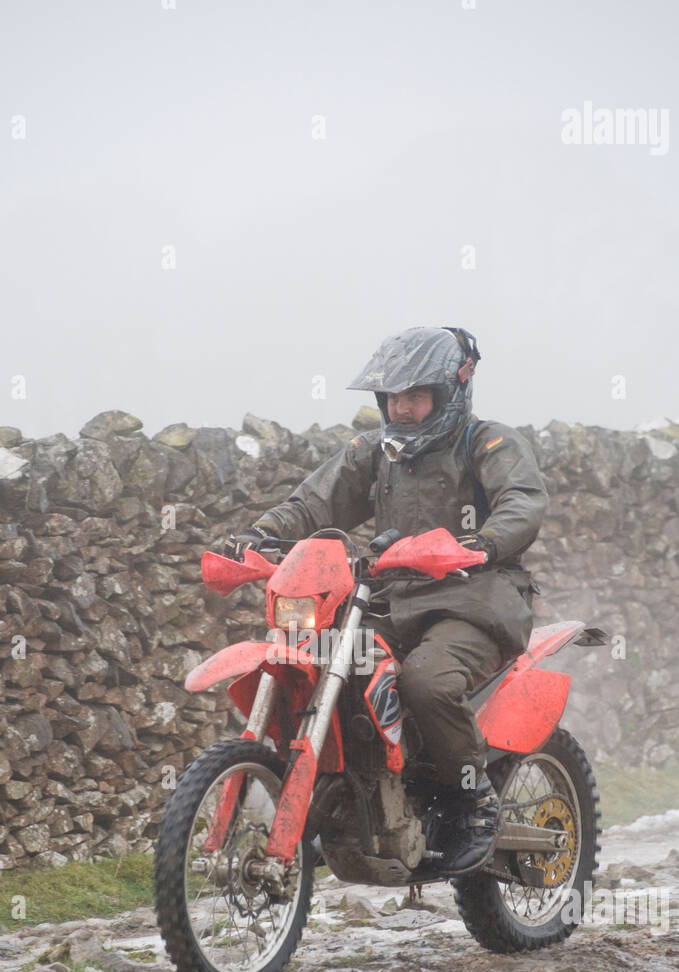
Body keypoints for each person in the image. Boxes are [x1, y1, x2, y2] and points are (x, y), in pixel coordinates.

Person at [225, 325, 548, 873]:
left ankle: (474, 802)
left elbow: (522, 501)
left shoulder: (488, 442)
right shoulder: (375, 452)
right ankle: (343, 795)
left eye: (415, 396)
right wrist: (259, 534)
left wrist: (482, 543)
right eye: (393, 397)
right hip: (392, 600)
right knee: (329, 661)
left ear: (451, 391)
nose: (401, 408)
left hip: (475, 600)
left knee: (426, 680)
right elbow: (312, 503)